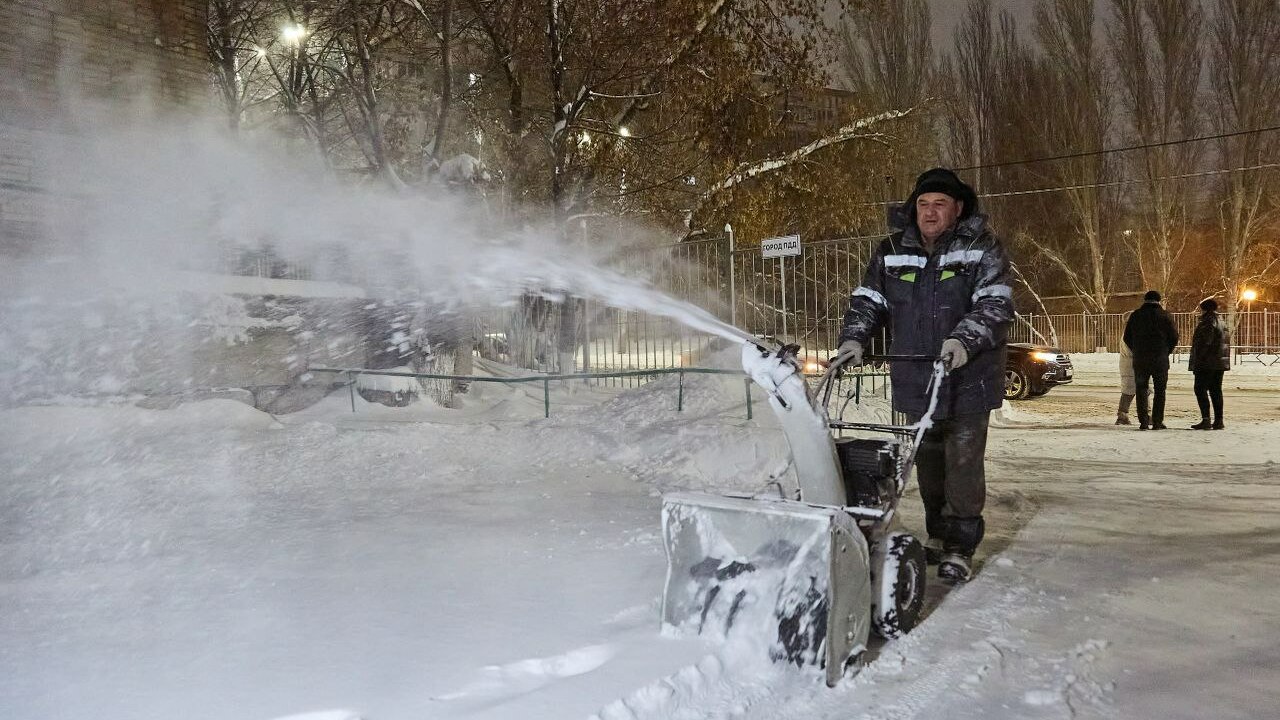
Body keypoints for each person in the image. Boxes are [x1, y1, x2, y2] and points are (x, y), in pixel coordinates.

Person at [837, 167, 1014, 583]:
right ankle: (938, 533)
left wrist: (963, 341)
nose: (930, 212)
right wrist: (854, 339)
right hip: (916, 375)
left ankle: (960, 545)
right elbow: (870, 300)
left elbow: (996, 303)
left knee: (963, 462)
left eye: (939, 204)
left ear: (957, 209)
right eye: (922, 204)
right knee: (928, 462)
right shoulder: (892, 250)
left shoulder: (981, 247)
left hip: (968, 375)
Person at [1121, 290, 1179, 430]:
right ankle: (1157, 421)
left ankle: (1144, 421)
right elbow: (1174, 337)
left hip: (1141, 360)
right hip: (1160, 359)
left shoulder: (1136, 316)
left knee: (1141, 389)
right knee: (1160, 391)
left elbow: (1127, 337)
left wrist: (1137, 350)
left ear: (1145, 300)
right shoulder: (1166, 316)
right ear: (1158, 301)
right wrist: (1166, 351)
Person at [1188, 298, 1230, 429]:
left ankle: (1206, 419)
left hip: (1207, 362)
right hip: (1219, 362)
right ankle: (1219, 420)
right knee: (1216, 390)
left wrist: (1198, 360)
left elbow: (1205, 342)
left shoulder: (1208, 321)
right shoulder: (1221, 321)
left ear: (1205, 309)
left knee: (1200, 389)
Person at [1116, 341, 1135, 425]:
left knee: (1144, 391)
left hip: (1130, 364)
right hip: (1131, 365)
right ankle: (1122, 415)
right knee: (1129, 391)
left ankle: (1122, 415)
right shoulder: (1130, 333)